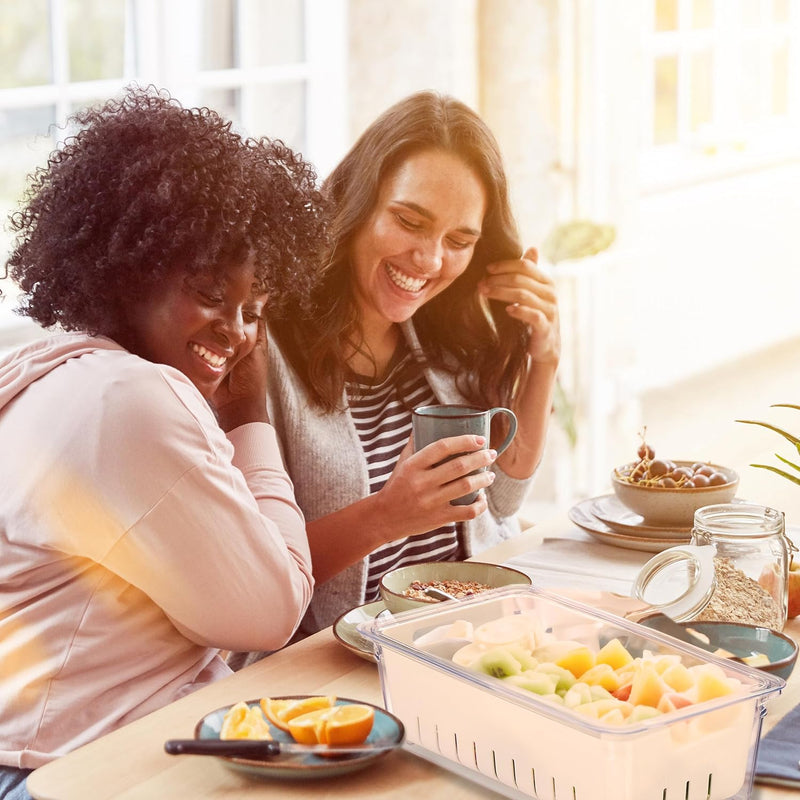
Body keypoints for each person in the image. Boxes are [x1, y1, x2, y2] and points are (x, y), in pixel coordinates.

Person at [0, 86, 327, 798]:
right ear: (129, 266)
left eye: (253, 310)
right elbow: (272, 611)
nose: (239, 333)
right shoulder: (130, 399)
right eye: (211, 293)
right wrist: (250, 416)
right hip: (72, 778)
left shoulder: (49, 371)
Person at [233, 90, 560, 659]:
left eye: (459, 241)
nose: (431, 261)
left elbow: (502, 498)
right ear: (358, 203)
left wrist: (545, 361)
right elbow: (255, 573)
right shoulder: (267, 345)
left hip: (469, 639)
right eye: (410, 222)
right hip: (331, 663)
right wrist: (389, 514)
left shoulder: (443, 329)